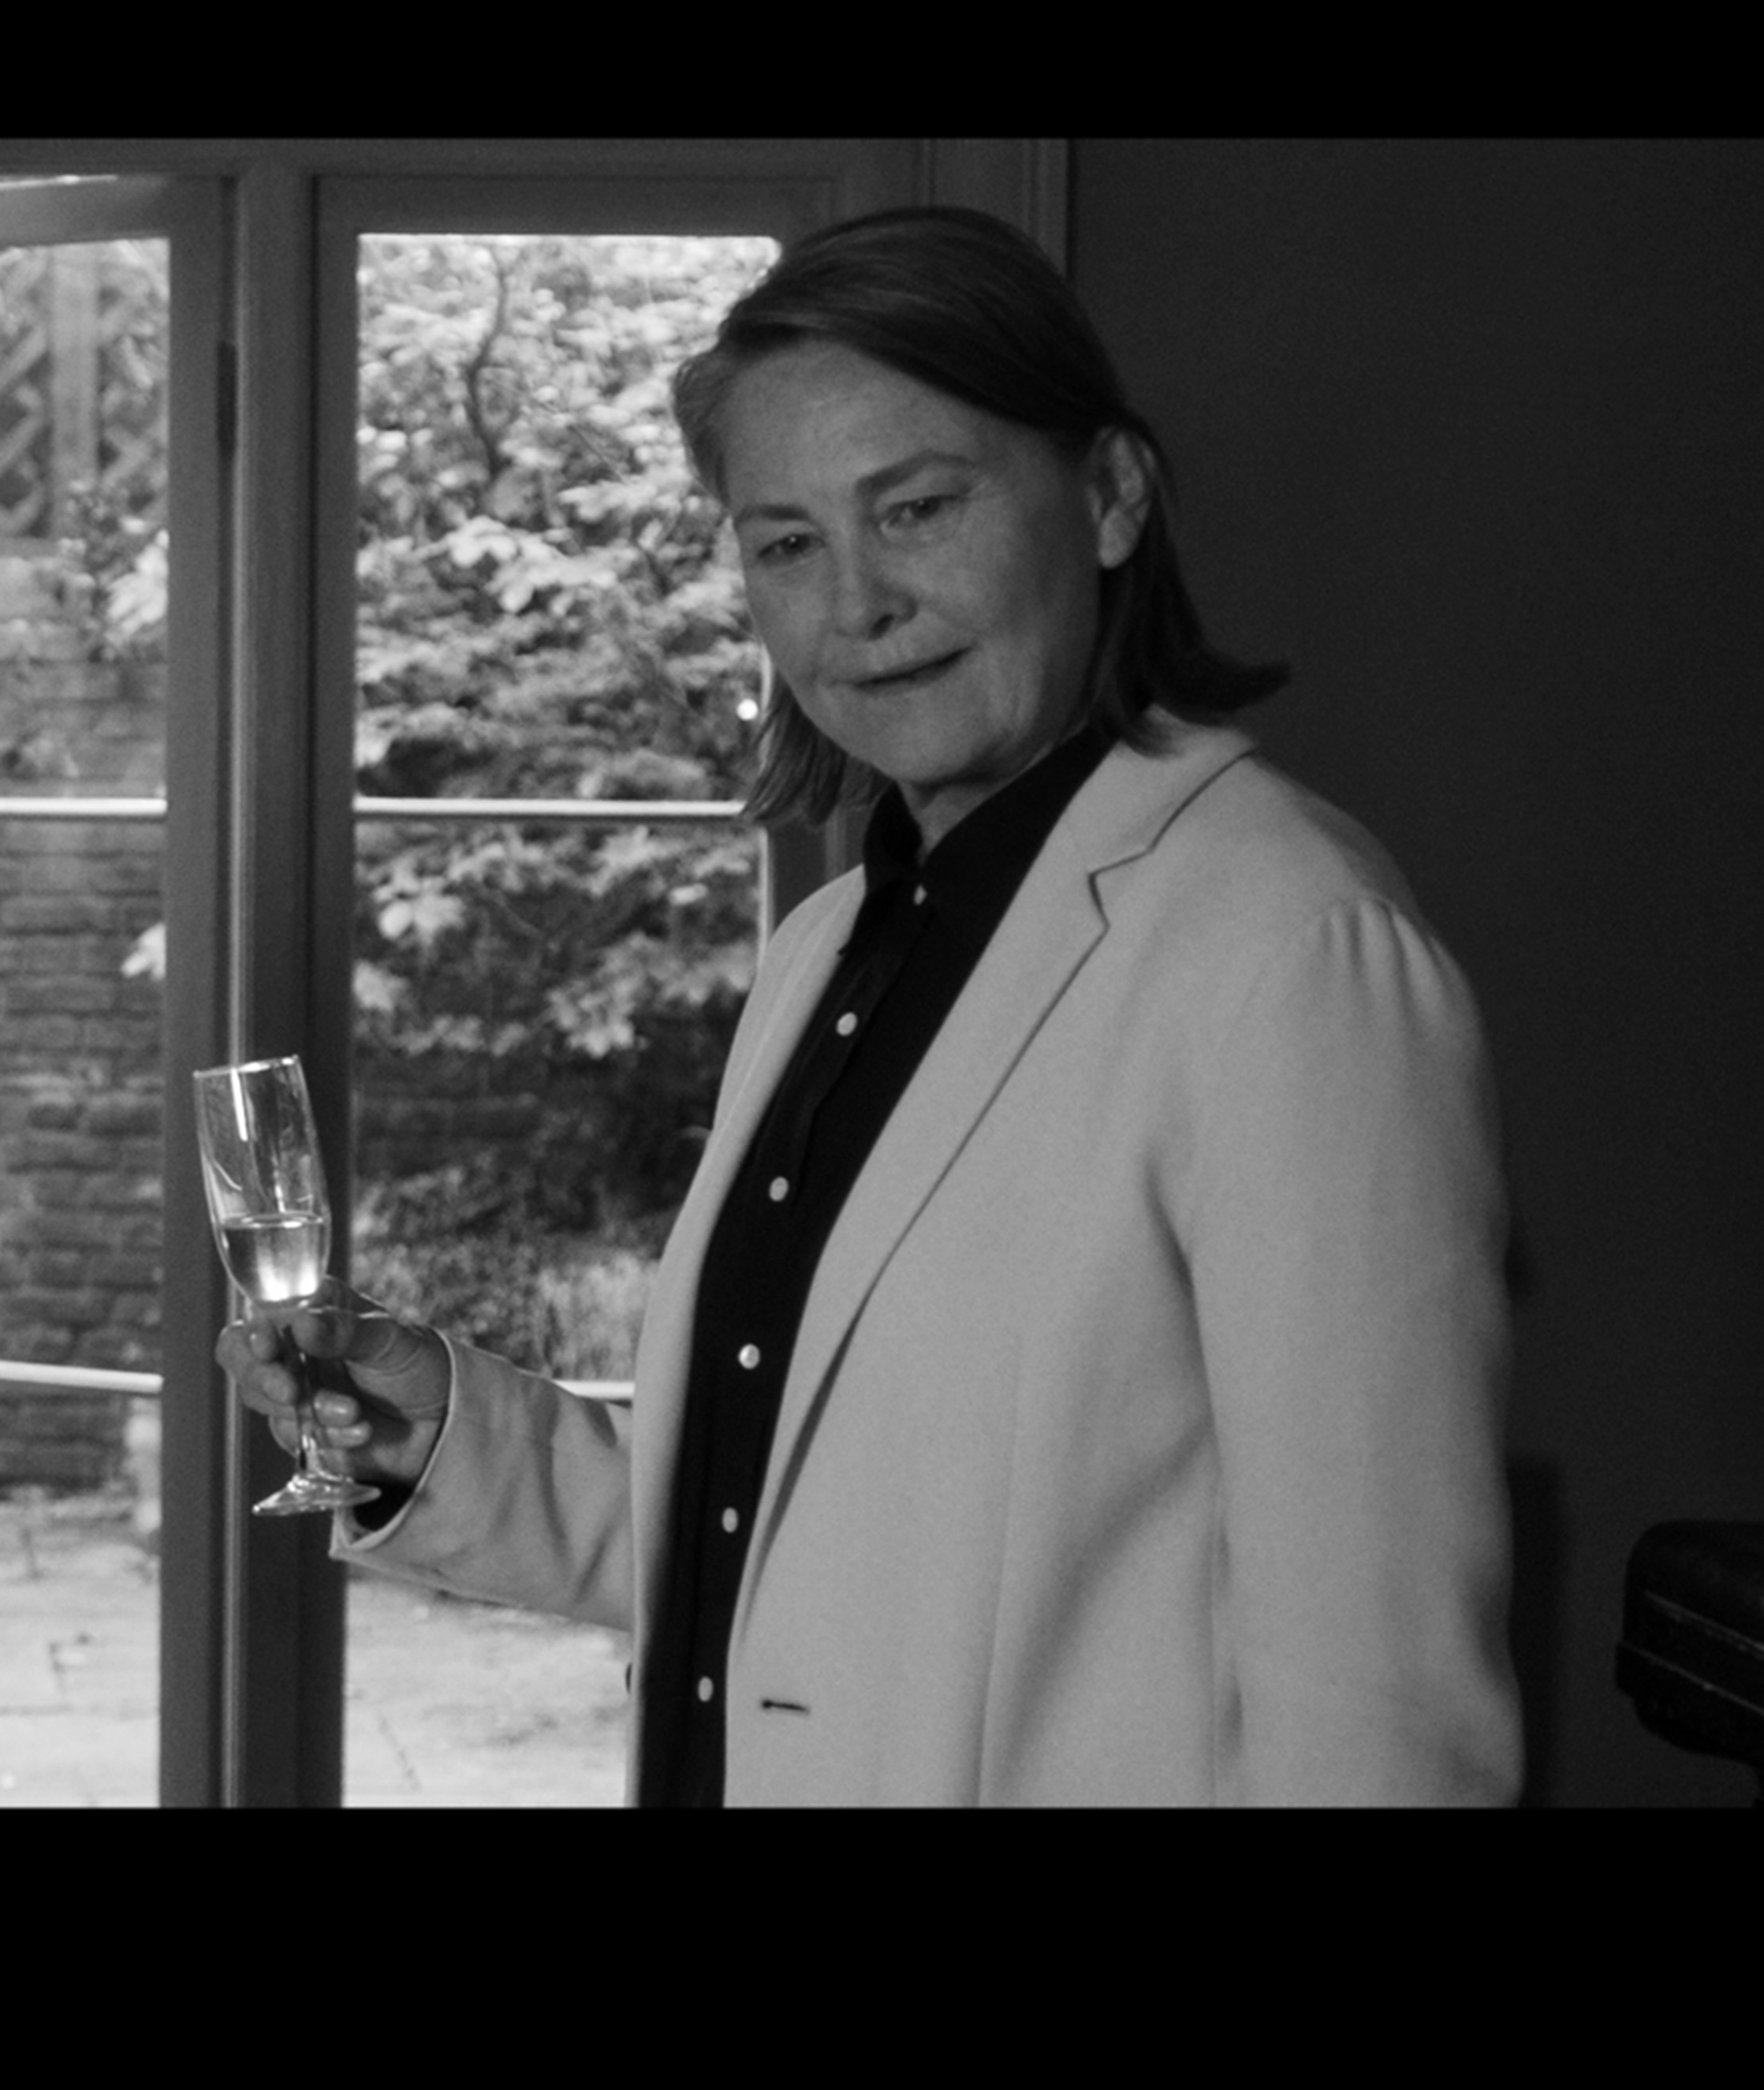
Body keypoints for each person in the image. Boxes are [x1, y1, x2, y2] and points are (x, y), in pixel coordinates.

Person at [219, 208, 1518, 1805]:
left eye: (917, 508)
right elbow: (783, 1548)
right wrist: (442, 1435)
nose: (856, 604)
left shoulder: (1289, 953)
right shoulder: (832, 948)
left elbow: (1381, 1721)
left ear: (1109, 496)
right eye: (785, 543)